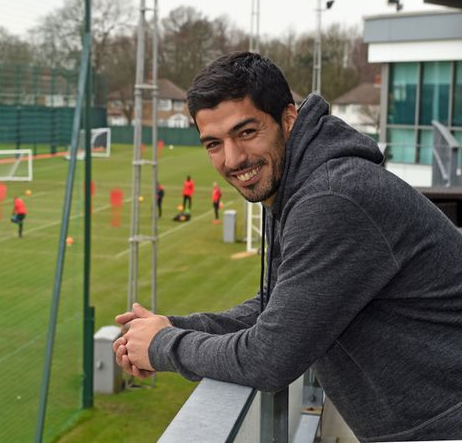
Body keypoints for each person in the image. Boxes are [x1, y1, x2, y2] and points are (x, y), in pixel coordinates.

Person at [112, 52, 462, 441]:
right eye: (214, 143)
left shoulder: (332, 197)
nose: (233, 159)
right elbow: (275, 306)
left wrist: (163, 346)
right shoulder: (300, 183)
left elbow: (269, 360)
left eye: (246, 132)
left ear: (289, 119)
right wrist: (175, 327)